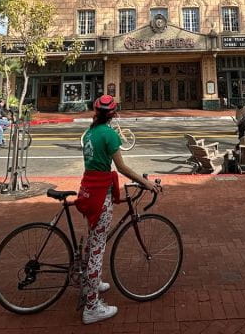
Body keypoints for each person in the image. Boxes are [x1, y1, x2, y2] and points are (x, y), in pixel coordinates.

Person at [75, 95, 158, 325]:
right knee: (98, 249)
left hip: (88, 191)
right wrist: (146, 183)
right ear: (113, 113)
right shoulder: (109, 134)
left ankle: (89, 281)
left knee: (92, 239)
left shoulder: (90, 133)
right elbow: (121, 167)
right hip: (101, 194)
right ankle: (91, 306)